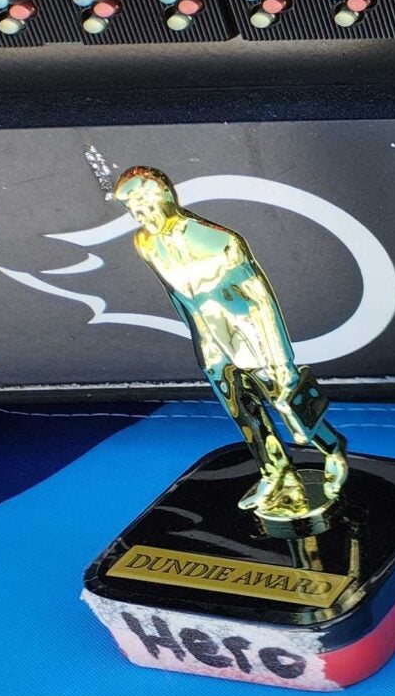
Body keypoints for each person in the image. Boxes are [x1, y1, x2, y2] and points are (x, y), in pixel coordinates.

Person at [111, 165, 348, 530]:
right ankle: (275, 471)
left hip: (253, 338)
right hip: (209, 345)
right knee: (242, 412)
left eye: (144, 204)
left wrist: (281, 359)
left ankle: (333, 451)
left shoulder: (220, 241)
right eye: (132, 208)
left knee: (289, 402)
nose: (140, 215)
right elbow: (175, 296)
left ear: (166, 197)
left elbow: (261, 301)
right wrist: (199, 340)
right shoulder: (145, 243)